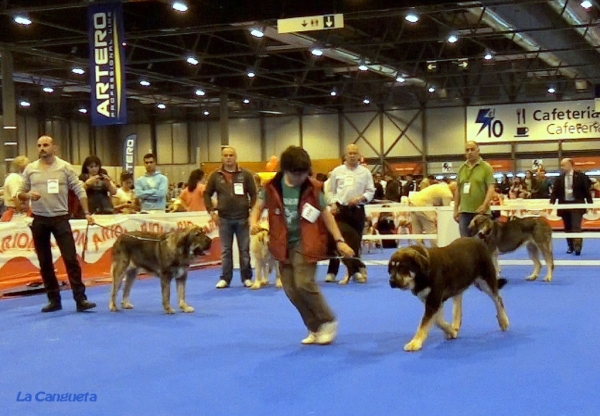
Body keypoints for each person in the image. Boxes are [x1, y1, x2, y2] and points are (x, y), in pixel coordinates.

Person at [249, 145, 354, 345]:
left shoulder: (313, 188)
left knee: (304, 283)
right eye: (296, 174)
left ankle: (328, 320)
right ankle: (314, 327)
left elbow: (326, 215)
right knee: (290, 289)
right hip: (281, 243)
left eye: (304, 173)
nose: (301, 178)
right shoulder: (271, 187)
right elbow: (257, 208)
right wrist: (254, 223)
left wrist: (339, 241)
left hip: (307, 242)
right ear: (285, 170)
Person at [17, 135, 96, 313]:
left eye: (46, 145)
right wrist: (28, 195)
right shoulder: (30, 169)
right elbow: (20, 193)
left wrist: (87, 213)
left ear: (54, 147)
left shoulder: (65, 167)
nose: (42, 148)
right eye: (39, 145)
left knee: (70, 259)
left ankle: (80, 299)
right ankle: (54, 300)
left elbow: (79, 189)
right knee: (44, 261)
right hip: (39, 219)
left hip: (61, 218)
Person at [204, 146, 257, 289]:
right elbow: (206, 194)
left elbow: (254, 194)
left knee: (244, 250)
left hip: (243, 218)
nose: (228, 158)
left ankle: (246, 277)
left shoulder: (245, 175)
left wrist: (252, 210)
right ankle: (225, 279)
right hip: (224, 219)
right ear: (222, 157)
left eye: (231, 155)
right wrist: (211, 212)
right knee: (226, 251)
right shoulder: (215, 176)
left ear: (236, 157)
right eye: (226, 155)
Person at [326, 144, 375, 283]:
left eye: (355, 153)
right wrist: (333, 203)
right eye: (350, 153)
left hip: (357, 210)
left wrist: (360, 198)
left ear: (359, 155)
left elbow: (371, 191)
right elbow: (330, 191)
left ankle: (356, 271)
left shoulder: (365, 172)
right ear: (345, 155)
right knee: (341, 241)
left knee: (355, 242)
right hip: (341, 210)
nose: (352, 155)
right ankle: (346, 271)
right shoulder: (337, 171)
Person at [550, 158, 593, 256]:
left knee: (576, 226)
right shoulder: (559, 178)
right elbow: (554, 192)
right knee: (567, 227)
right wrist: (551, 203)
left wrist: (590, 204)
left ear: (570, 164)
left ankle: (577, 247)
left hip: (577, 205)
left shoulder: (581, 176)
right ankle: (570, 246)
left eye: (563, 165)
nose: (561, 167)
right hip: (564, 205)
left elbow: (587, 191)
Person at [454, 140, 496, 237]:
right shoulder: (461, 168)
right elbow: (458, 190)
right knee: (465, 244)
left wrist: (485, 205)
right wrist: (456, 209)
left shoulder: (486, 167)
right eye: (467, 150)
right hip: (464, 212)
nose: (469, 152)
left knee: (482, 244)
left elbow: (491, 188)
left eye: (472, 149)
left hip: (481, 212)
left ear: (478, 151)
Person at [408, 181, 456, 247]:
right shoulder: (447, 193)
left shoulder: (442, 186)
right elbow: (446, 210)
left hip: (413, 202)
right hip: (423, 205)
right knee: (431, 230)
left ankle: (419, 250)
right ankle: (437, 250)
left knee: (417, 232)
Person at [2, 155, 30, 222]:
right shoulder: (14, 178)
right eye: (27, 165)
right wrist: (20, 212)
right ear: (22, 166)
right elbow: (16, 197)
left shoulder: (19, 177)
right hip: (15, 213)